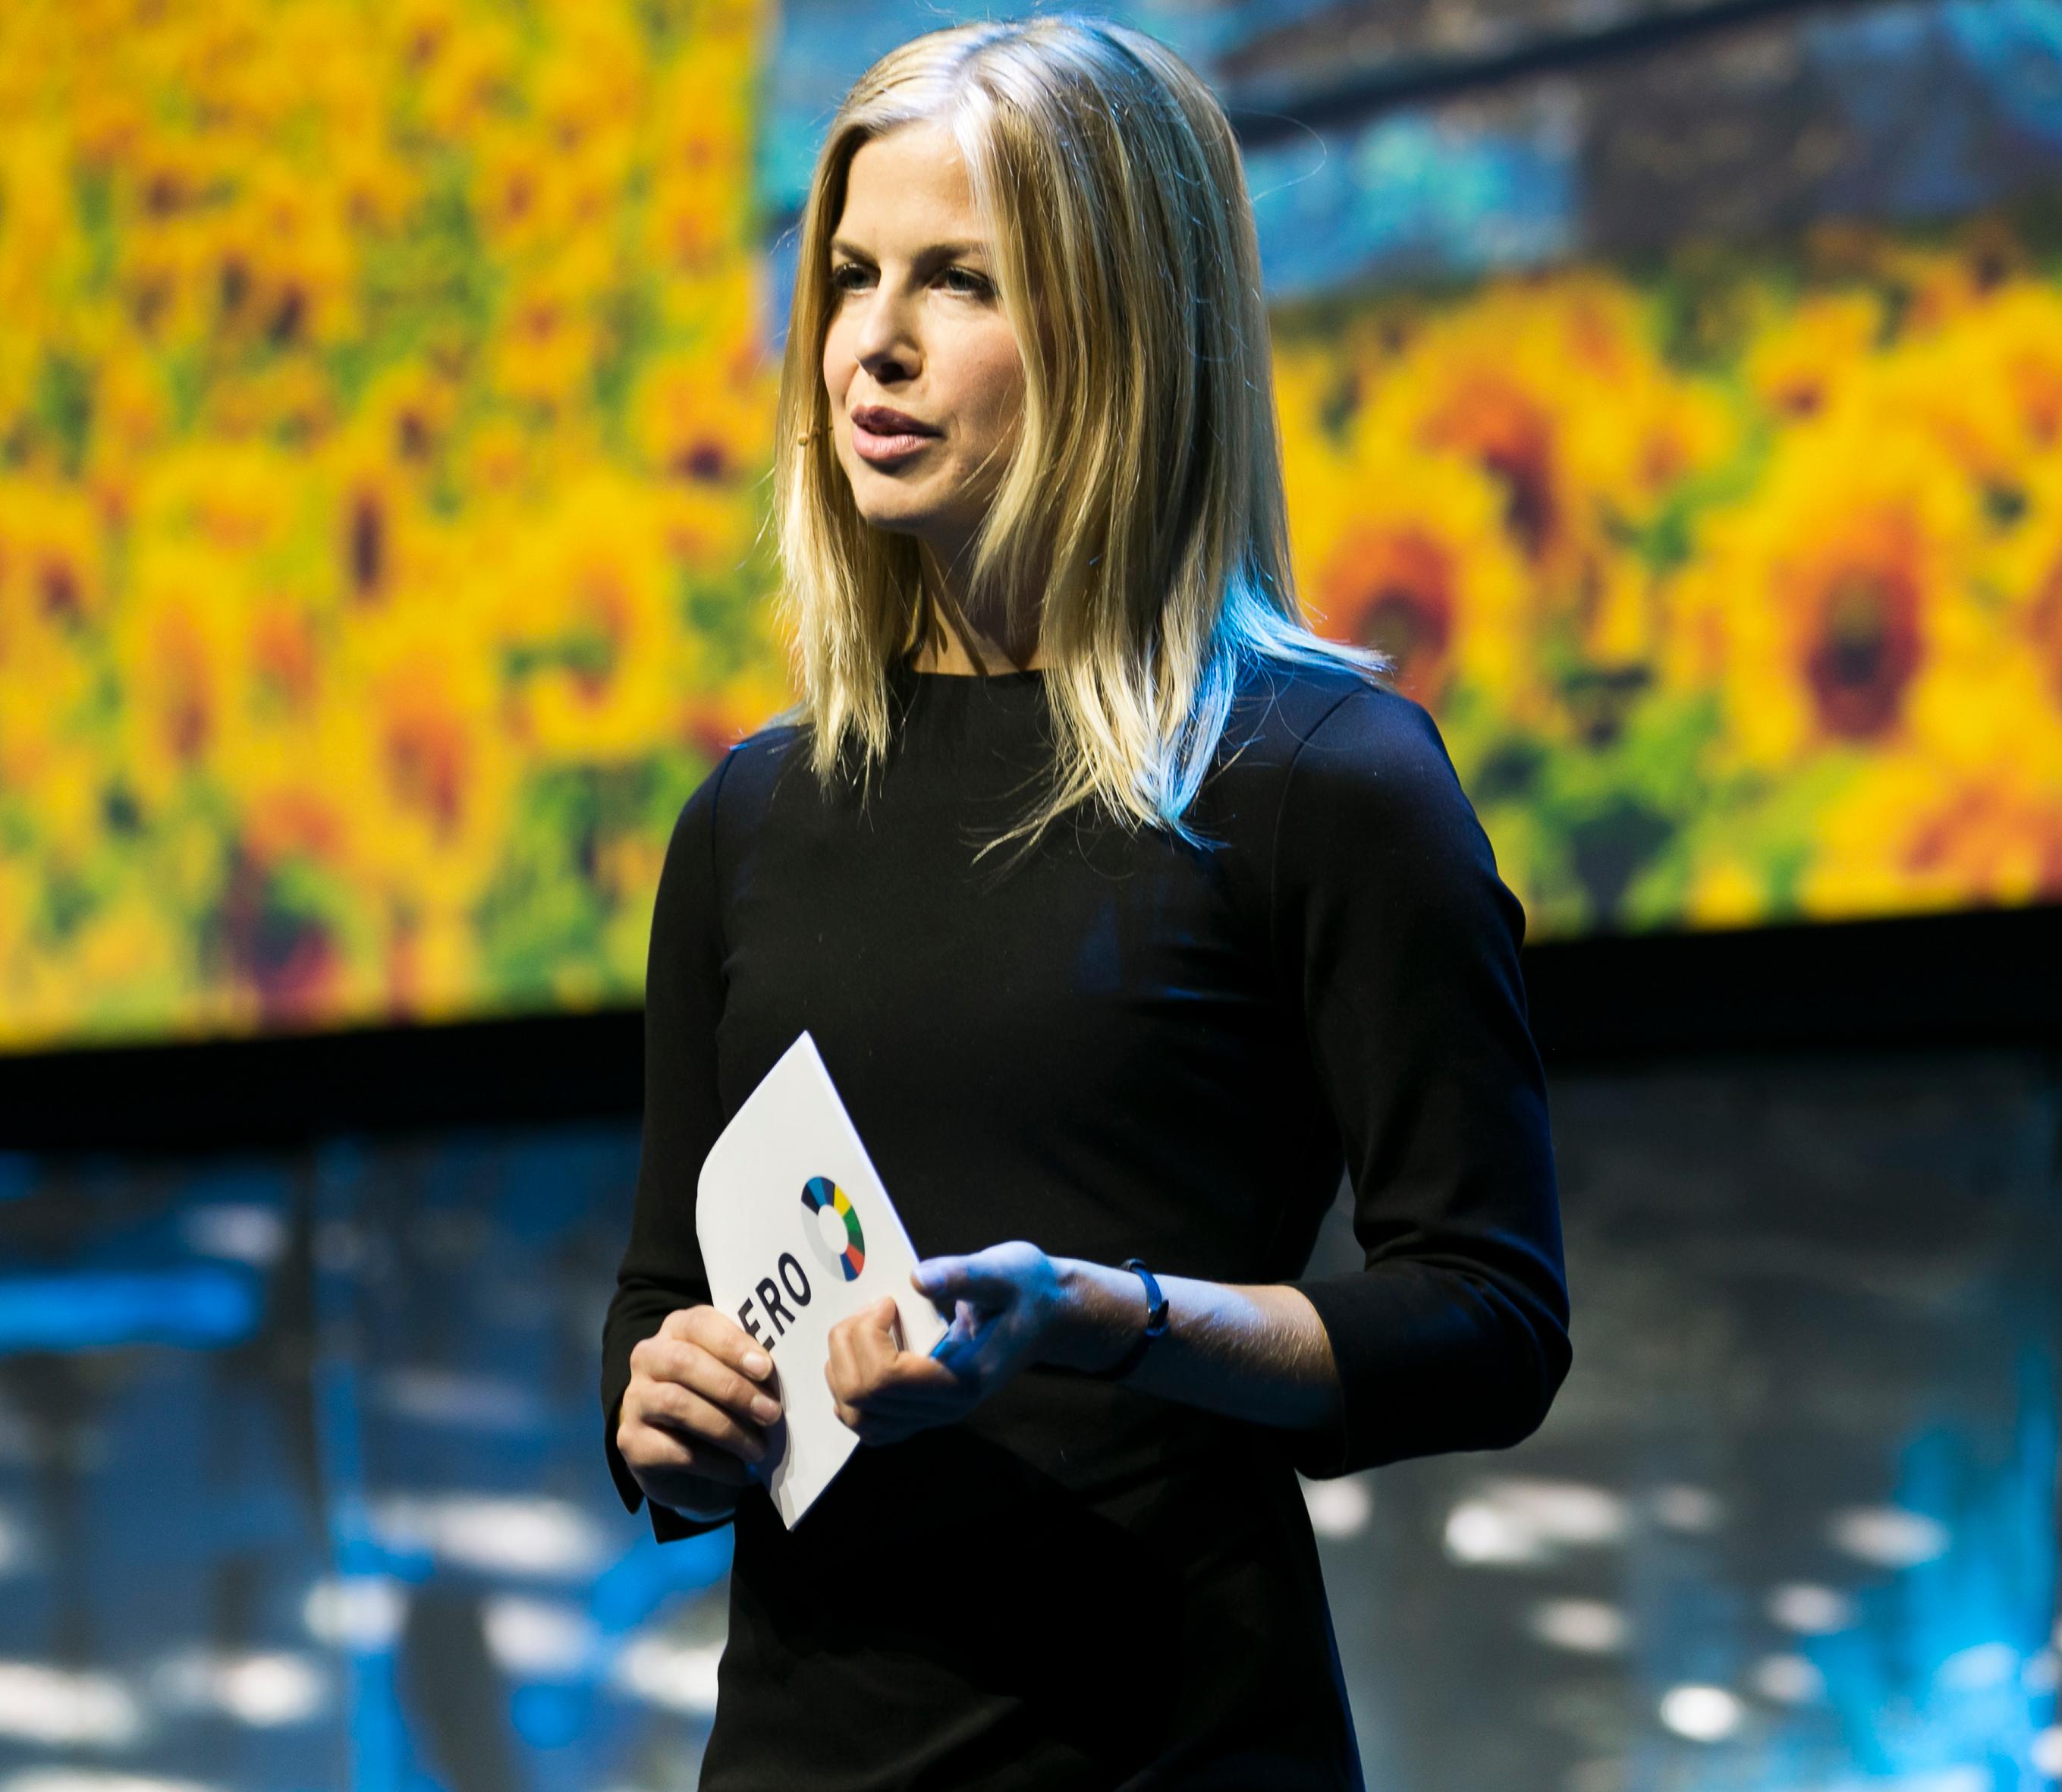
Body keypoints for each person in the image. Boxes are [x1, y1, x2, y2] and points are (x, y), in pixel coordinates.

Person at [599, 15, 1569, 1788]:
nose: (868, 346)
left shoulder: (1323, 778)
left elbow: (1486, 1315)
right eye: (849, 276)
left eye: (955, 281)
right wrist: (665, 1417)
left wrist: (1100, 1314)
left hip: (1170, 1746)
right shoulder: (749, 814)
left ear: (1118, 338)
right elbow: (666, 1301)